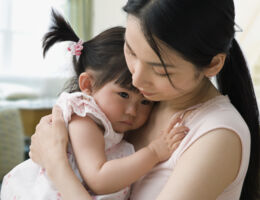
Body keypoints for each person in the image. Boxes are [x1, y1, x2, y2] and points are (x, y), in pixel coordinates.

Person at [29, 0, 260, 199]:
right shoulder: (143, 101)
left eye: (160, 70)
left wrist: (56, 164)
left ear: (213, 65)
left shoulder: (218, 136)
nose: (137, 79)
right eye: (130, 51)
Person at [0, 11, 187, 200]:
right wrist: (154, 152)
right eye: (123, 94)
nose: (133, 111)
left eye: (145, 101)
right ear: (88, 85)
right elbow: (99, 179)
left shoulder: (109, 124)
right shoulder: (84, 118)